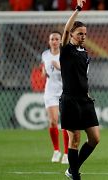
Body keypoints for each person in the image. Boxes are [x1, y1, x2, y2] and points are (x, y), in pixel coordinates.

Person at [59, 0, 100, 179]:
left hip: (84, 100)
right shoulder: (66, 51)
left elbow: (83, 77)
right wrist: (77, 10)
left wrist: (87, 93)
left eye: (85, 33)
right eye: (80, 33)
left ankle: (72, 169)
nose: (83, 36)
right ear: (73, 35)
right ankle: (75, 175)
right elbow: (66, 30)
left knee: (95, 139)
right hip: (69, 100)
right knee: (74, 139)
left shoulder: (85, 53)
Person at [41, 31, 69, 164]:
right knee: (53, 121)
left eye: (57, 39)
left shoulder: (65, 54)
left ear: (60, 41)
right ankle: (56, 150)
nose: (54, 41)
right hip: (50, 92)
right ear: (49, 41)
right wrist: (43, 73)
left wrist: (59, 67)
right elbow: (44, 71)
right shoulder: (45, 55)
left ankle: (67, 154)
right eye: (52, 39)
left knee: (65, 122)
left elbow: (70, 71)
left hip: (65, 91)